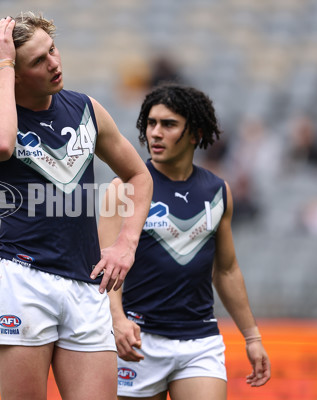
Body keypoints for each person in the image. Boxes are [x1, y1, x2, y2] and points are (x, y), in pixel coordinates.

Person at [0, 12, 153, 400]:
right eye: (38, 60)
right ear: (13, 73)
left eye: (52, 50)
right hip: (24, 280)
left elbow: (139, 177)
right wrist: (2, 64)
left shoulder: (86, 109)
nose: (54, 63)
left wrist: (126, 244)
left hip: (87, 285)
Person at [99, 83, 271, 400]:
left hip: (200, 341)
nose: (155, 133)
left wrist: (252, 336)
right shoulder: (122, 190)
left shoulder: (218, 191)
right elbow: (105, 270)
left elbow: (227, 271)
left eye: (168, 124)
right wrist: (117, 320)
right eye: (151, 123)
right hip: (137, 339)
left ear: (195, 133)